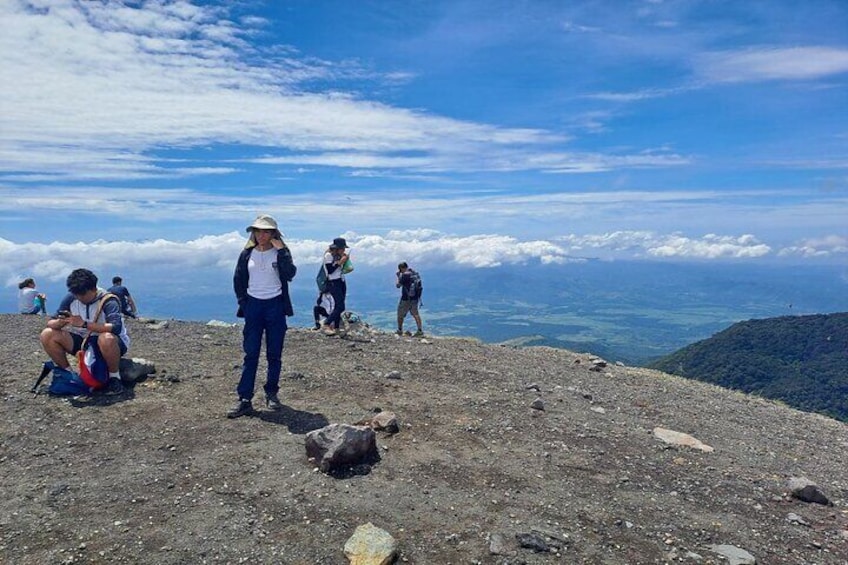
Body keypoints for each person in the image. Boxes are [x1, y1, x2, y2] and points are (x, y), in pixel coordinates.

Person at [230, 214, 297, 418]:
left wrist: (283, 251)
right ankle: (244, 399)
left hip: (275, 305)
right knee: (251, 354)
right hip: (254, 306)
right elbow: (238, 279)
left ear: (273, 233)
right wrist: (245, 303)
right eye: (258, 231)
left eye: (266, 231)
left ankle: (271, 393)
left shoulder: (280, 253)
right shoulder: (246, 254)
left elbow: (290, 274)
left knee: (274, 354)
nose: (261, 235)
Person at [40, 268, 130, 395]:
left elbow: (116, 327)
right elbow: (50, 322)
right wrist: (60, 323)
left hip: (110, 343)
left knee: (106, 338)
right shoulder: (71, 298)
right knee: (47, 334)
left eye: (82, 294)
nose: (79, 297)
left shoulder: (108, 300)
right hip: (85, 342)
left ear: (93, 289)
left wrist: (84, 324)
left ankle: (114, 378)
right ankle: (70, 375)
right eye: (76, 294)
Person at [321, 237, 350, 336]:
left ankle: (337, 327)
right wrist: (340, 262)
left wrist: (344, 260)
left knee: (339, 305)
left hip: (340, 281)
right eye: (342, 248)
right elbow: (330, 270)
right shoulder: (328, 256)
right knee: (340, 306)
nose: (344, 250)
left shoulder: (338, 256)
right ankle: (327, 323)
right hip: (333, 282)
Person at [396, 262, 424, 337]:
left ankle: (400, 330)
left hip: (406, 298)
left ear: (402, 268)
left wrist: (398, 276)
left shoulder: (405, 275)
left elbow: (398, 285)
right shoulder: (415, 273)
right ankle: (420, 330)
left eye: (400, 269)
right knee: (415, 314)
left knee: (400, 314)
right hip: (415, 298)